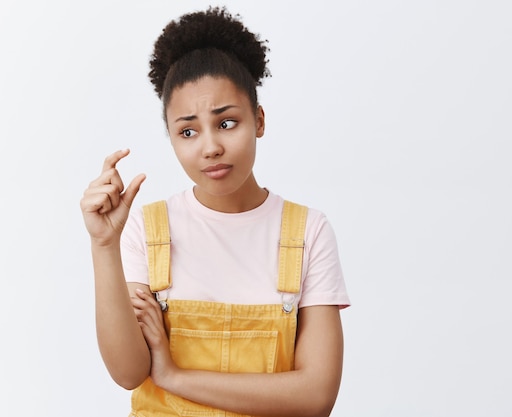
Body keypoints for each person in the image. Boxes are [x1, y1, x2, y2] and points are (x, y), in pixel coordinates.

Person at [79, 6, 350, 417]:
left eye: (226, 123)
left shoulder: (308, 231)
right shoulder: (148, 229)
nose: (210, 147)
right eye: (188, 131)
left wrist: (174, 377)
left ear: (258, 120)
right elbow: (128, 372)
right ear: (171, 138)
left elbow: (315, 397)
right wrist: (103, 244)